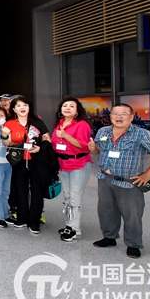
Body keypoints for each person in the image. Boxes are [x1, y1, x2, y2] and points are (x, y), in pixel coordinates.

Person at [88, 103, 150, 258]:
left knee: (132, 214)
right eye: (115, 113)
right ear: (110, 116)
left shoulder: (141, 134)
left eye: (123, 114)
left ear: (131, 117)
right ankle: (109, 237)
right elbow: (97, 151)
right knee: (106, 211)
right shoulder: (103, 131)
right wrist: (92, 149)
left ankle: (133, 244)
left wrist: (147, 175)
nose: (119, 117)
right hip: (105, 178)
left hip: (129, 182)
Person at [1, 96, 50, 234]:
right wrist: (4, 135)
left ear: (29, 108)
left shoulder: (37, 122)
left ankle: (34, 221)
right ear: (14, 109)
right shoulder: (10, 123)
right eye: (19, 106)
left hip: (37, 161)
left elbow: (47, 138)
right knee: (20, 190)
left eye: (25, 105)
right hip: (19, 161)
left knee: (37, 191)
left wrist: (40, 148)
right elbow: (8, 143)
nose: (22, 108)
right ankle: (22, 218)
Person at [50, 97, 94, 241]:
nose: (67, 108)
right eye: (65, 106)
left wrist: (65, 135)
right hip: (63, 164)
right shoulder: (59, 123)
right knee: (68, 196)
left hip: (79, 164)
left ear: (77, 111)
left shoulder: (82, 124)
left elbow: (82, 145)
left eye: (71, 106)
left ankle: (75, 228)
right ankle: (70, 224)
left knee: (75, 197)